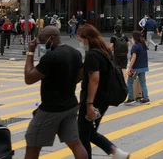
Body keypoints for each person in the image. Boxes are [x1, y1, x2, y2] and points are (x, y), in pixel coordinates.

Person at [23, 26, 88, 159]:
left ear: (52, 38)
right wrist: (67, 83)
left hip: (50, 109)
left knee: (32, 145)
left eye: (42, 39)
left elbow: (29, 78)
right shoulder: (75, 53)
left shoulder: (50, 57)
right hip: (70, 105)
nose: (40, 43)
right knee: (75, 143)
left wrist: (30, 52)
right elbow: (81, 74)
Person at [77, 25, 129, 159]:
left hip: (93, 101)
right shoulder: (105, 51)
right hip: (103, 100)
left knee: (83, 135)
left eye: (81, 40)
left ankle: (114, 152)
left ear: (87, 39)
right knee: (90, 132)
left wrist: (89, 104)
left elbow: (94, 79)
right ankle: (116, 152)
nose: (81, 43)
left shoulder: (93, 55)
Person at [124, 31, 150, 105]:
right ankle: (146, 98)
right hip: (143, 67)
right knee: (143, 83)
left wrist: (129, 68)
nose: (131, 39)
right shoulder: (143, 45)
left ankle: (131, 98)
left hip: (135, 68)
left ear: (135, 38)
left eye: (132, 37)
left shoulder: (135, 46)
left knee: (129, 82)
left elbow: (133, 58)